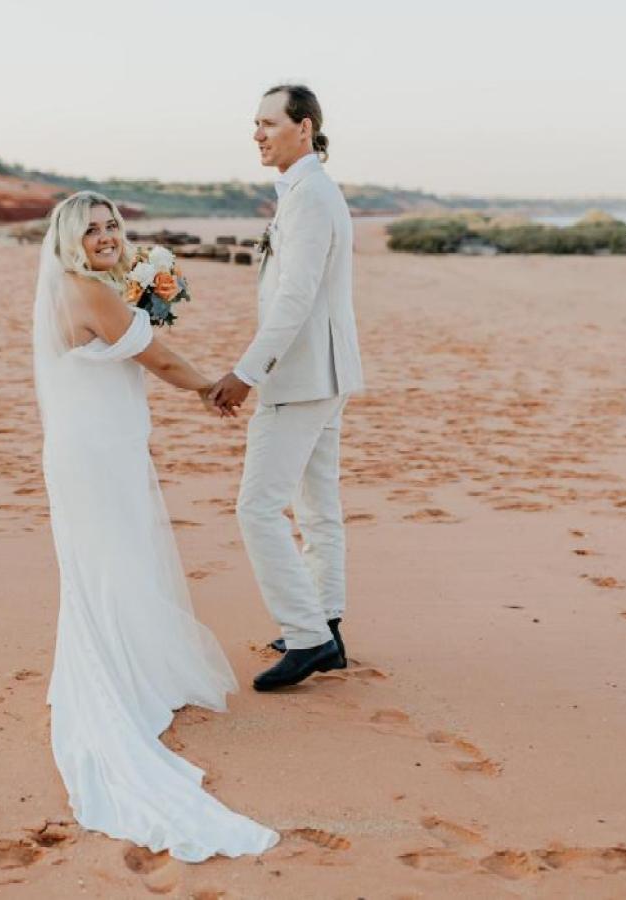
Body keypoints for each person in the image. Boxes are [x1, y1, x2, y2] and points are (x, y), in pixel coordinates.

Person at [33, 190, 279, 862]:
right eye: (92, 229)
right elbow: (160, 360)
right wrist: (210, 388)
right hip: (95, 456)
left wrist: (143, 298)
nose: (106, 236)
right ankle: (116, 683)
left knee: (110, 563)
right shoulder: (88, 293)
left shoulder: (81, 288)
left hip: (91, 449)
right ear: (68, 239)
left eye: (113, 225)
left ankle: (122, 665)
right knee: (112, 561)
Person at [209, 84, 365, 692]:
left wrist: (245, 373)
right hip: (326, 374)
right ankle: (325, 621)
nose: (257, 134)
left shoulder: (310, 198)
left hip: (300, 378)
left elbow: (296, 295)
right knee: (317, 508)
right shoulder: (310, 192)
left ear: (304, 128)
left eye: (268, 123)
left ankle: (308, 638)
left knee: (257, 507)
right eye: (254, 123)